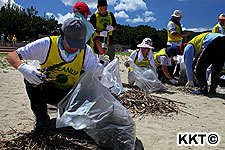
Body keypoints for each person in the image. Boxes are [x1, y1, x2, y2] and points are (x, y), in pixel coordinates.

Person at [7, 18, 103, 130]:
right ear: (62, 35)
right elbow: (12, 56)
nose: (73, 48)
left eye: (78, 44)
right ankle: (41, 118)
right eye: (71, 43)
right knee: (29, 80)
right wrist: (23, 68)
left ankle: (69, 112)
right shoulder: (46, 44)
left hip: (70, 94)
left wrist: (98, 75)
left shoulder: (86, 51)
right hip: (47, 90)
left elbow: (94, 79)